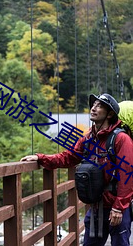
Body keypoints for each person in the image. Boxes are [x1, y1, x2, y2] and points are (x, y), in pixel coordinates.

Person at [21, 93, 133, 246]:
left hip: (116, 206)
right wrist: (41, 158)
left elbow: (127, 175)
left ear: (110, 114)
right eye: (93, 105)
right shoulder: (88, 139)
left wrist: (119, 208)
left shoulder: (121, 139)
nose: (93, 108)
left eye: (99, 106)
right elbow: (68, 157)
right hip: (96, 206)